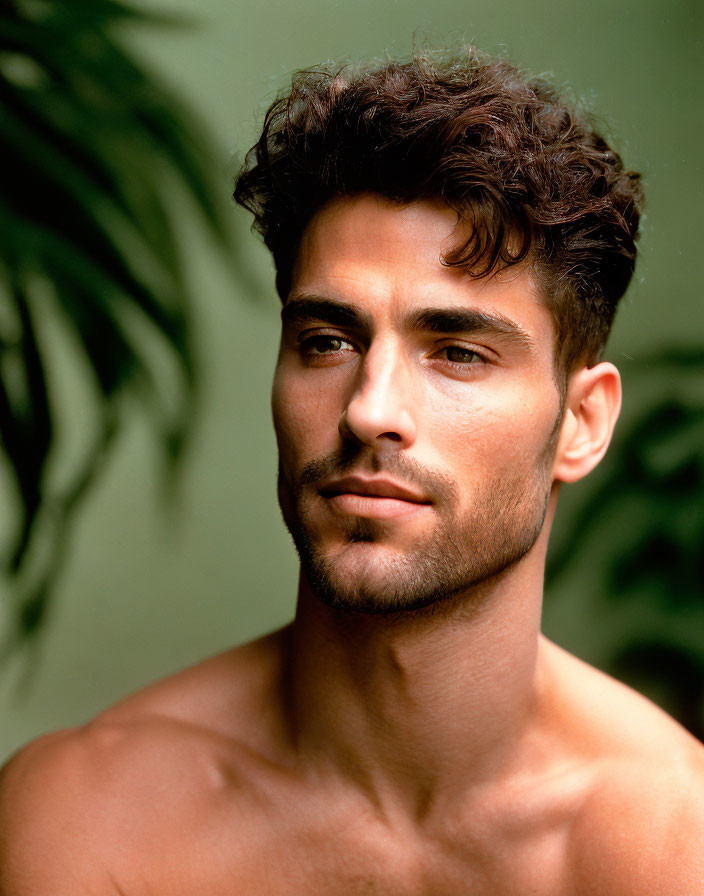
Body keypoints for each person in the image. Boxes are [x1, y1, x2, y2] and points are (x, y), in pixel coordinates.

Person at [1, 49, 703, 895]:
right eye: (328, 341)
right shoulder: (88, 821)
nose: (370, 409)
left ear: (581, 425)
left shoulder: (675, 843)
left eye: (458, 353)